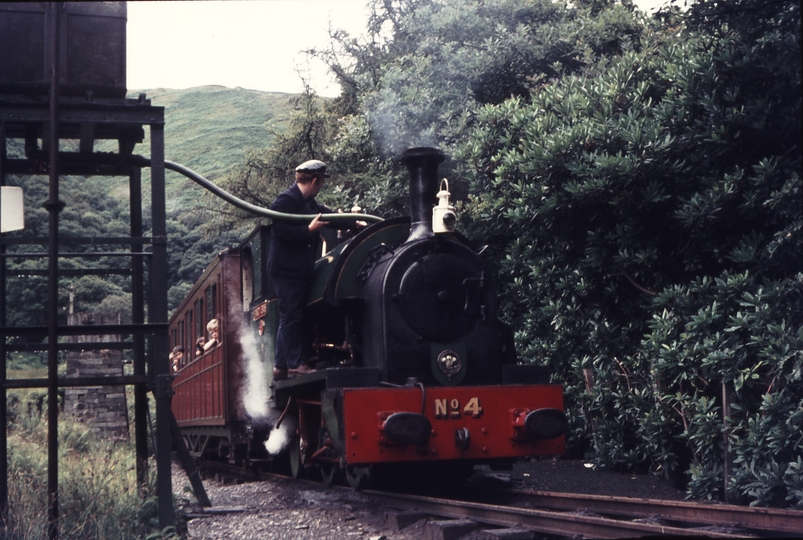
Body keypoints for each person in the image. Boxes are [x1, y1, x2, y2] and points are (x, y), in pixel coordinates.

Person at [267, 159, 361, 380]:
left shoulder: (310, 203)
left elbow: (330, 218)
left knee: (292, 315)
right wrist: (308, 230)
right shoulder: (285, 200)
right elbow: (279, 231)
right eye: (321, 183)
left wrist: (355, 223)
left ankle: (281, 366)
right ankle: (294, 365)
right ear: (316, 180)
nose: (321, 187)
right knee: (290, 316)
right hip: (286, 269)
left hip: (299, 269)